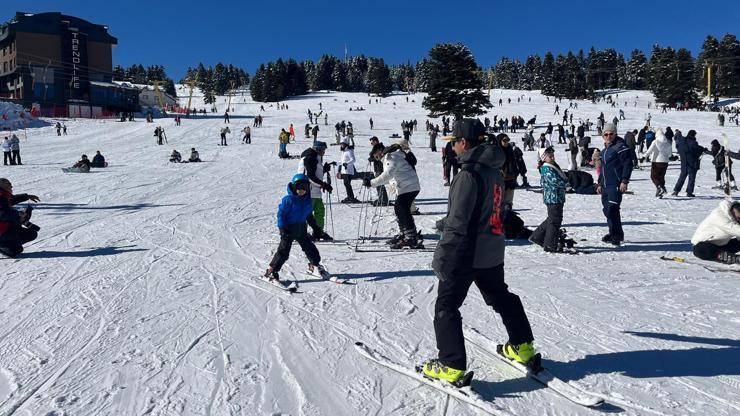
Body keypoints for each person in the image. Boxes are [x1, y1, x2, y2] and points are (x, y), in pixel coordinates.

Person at [420, 119, 536, 383]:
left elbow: (458, 222)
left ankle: (450, 364)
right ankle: (522, 345)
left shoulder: (468, 175)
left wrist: (442, 255)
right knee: (500, 296)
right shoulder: (494, 171)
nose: (453, 147)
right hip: (492, 248)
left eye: (454, 142)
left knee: (446, 306)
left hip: (466, 251)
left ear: (463, 142)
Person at [264, 173, 331, 284]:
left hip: (301, 230)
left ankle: (315, 266)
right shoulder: (288, 200)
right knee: (283, 252)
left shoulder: (308, 201)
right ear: (294, 187)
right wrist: (282, 228)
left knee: (310, 248)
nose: (302, 190)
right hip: (288, 230)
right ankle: (271, 271)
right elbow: (281, 214)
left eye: (304, 187)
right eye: (299, 187)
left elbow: (309, 216)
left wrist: (316, 228)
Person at [363, 140, 421, 249]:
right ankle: (405, 233)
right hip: (407, 186)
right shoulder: (392, 156)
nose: (377, 159)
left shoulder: (390, 157)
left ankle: (410, 237)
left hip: (408, 187)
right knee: (399, 209)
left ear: (380, 151)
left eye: (376, 156)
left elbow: (387, 175)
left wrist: (371, 183)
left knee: (402, 210)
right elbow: (389, 177)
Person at [596, 123, 633, 245]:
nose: (608, 136)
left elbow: (628, 164)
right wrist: (600, 184)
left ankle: (616, 236)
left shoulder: (621, 147)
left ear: (615, 134)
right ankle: (614, 233)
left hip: (615, 184)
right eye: (605, 134)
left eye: (611, 134)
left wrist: (624, 181)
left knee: (613, 209)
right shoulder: (604, 151)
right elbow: (603, 169)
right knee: (607, 210)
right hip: (606, 185)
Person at [529, 147, 568, 252]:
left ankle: (537, 236)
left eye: (552, 155)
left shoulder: (552, 166)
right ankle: (550, 244)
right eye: (549, 156)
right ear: (543, 158)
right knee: (555, 220)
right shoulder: (546, 168)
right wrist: (566, 183)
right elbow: (555, 181)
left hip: (557, 197)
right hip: (553, 198)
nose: (552, 157)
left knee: (552, 219)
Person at [298, 141, 334, 241]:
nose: (324, 152)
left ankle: (318, 232)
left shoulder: (315, 157)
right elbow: (310, 176)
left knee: (319, 211)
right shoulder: (310, 158)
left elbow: (315, 172)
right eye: (323, 150)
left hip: (314, 190)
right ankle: (302, 233)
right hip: (308, 191)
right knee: (307, 214)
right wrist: (324, 185)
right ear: (317, 149)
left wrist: (324, 170)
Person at [0, 178, 40, 257]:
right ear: (1, 185)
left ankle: (5, 245)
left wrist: (27, 196)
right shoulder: (1, 197)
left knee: (16, 250)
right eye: (8, 184)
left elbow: (13, 199)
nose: (11, 186)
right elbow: (2, 214)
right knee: (30, 234)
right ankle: (3, 243)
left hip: (4, 228)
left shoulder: (4, 195)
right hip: (2, 230)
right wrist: (18, 214)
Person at [691, 200, 740, 264]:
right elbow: (734, 229)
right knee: (699, 250)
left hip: (722, 245)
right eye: (739, 218)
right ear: (733, 212)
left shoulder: (733, 217)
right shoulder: (719, 215)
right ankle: (732, 258)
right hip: (705, 244)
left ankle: (725, 255)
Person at [671, 130, 706, 197]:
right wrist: (703, 149)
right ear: (693, 135)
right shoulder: (693, 143)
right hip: (692, 163)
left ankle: (676, 191)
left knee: (682, 177)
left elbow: (678, 147)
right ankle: (689, 192)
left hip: (684, 162)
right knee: (691, 178)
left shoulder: (682, 142)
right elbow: (697, 150)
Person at [644, 129, 672, 197]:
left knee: (653, 176)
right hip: (665, 162)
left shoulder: (655, 141)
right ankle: (661, 190)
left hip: (656, 162)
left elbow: (649, 150)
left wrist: (643, 157)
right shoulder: (668, 142)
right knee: (661, 177)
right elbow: (670, 154)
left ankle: (659, 187)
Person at [368, 137, 389, 206]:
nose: (371, 144)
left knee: (379, 183)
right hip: (377, 168)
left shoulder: (379, 147)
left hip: (380, 168)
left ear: (376, 141)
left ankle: (383, 200)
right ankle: (381, 199)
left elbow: (379, 158)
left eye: (372, 142)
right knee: (378, 184)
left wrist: (372, 159)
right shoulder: (377, 147)